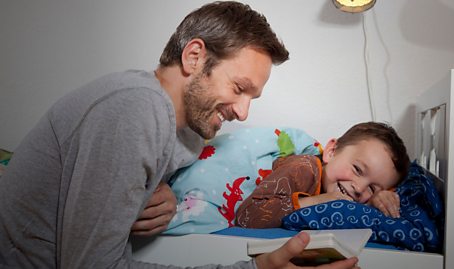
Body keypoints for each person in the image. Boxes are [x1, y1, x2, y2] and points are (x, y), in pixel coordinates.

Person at [0, 1, 360, 269]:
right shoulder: (135, 109)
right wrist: (255, 267)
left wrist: (169, 192)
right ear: (194, 57)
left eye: (252, 97)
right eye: (239, 88)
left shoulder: (187, 135)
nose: (243, 112)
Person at [236, 122, 410, 228]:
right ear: (332, 151)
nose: (359, 188)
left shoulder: (351, 192)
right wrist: (320, 200)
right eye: (357, 169)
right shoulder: (303, 169)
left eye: (372, 188)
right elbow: (248, 216)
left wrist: (377, 199)